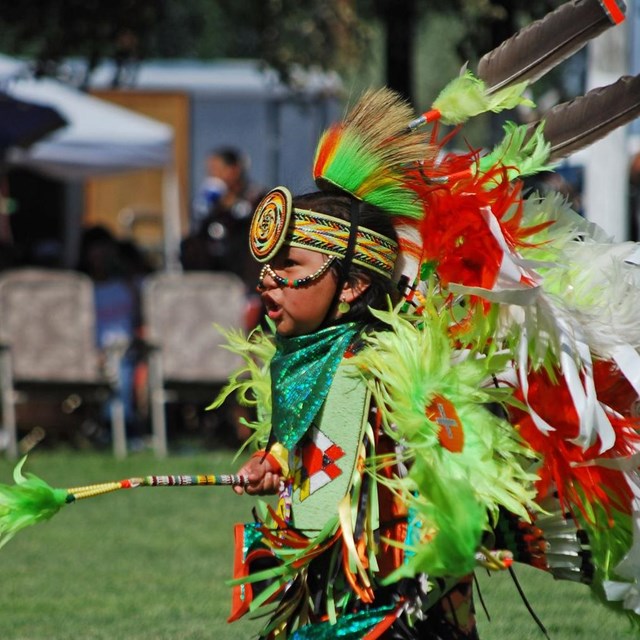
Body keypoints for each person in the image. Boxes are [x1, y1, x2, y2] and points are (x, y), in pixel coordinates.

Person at [212, 83, 640, 639]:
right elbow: (320, 465)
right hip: (361, 607)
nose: (269, 282)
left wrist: (299, 493)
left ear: (353, 285)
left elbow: (324, 509)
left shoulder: (367, 369)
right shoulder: (310, 358)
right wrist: (278, 462)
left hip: (394, 615)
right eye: (264, 268)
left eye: (289, 266)